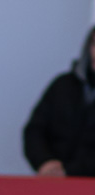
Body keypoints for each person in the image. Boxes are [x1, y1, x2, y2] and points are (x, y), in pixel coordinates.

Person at [23, 25, 95, 177]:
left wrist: (69, 171)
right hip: (52, 180)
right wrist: (44, 162)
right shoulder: (62, 85)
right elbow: (34, 130)